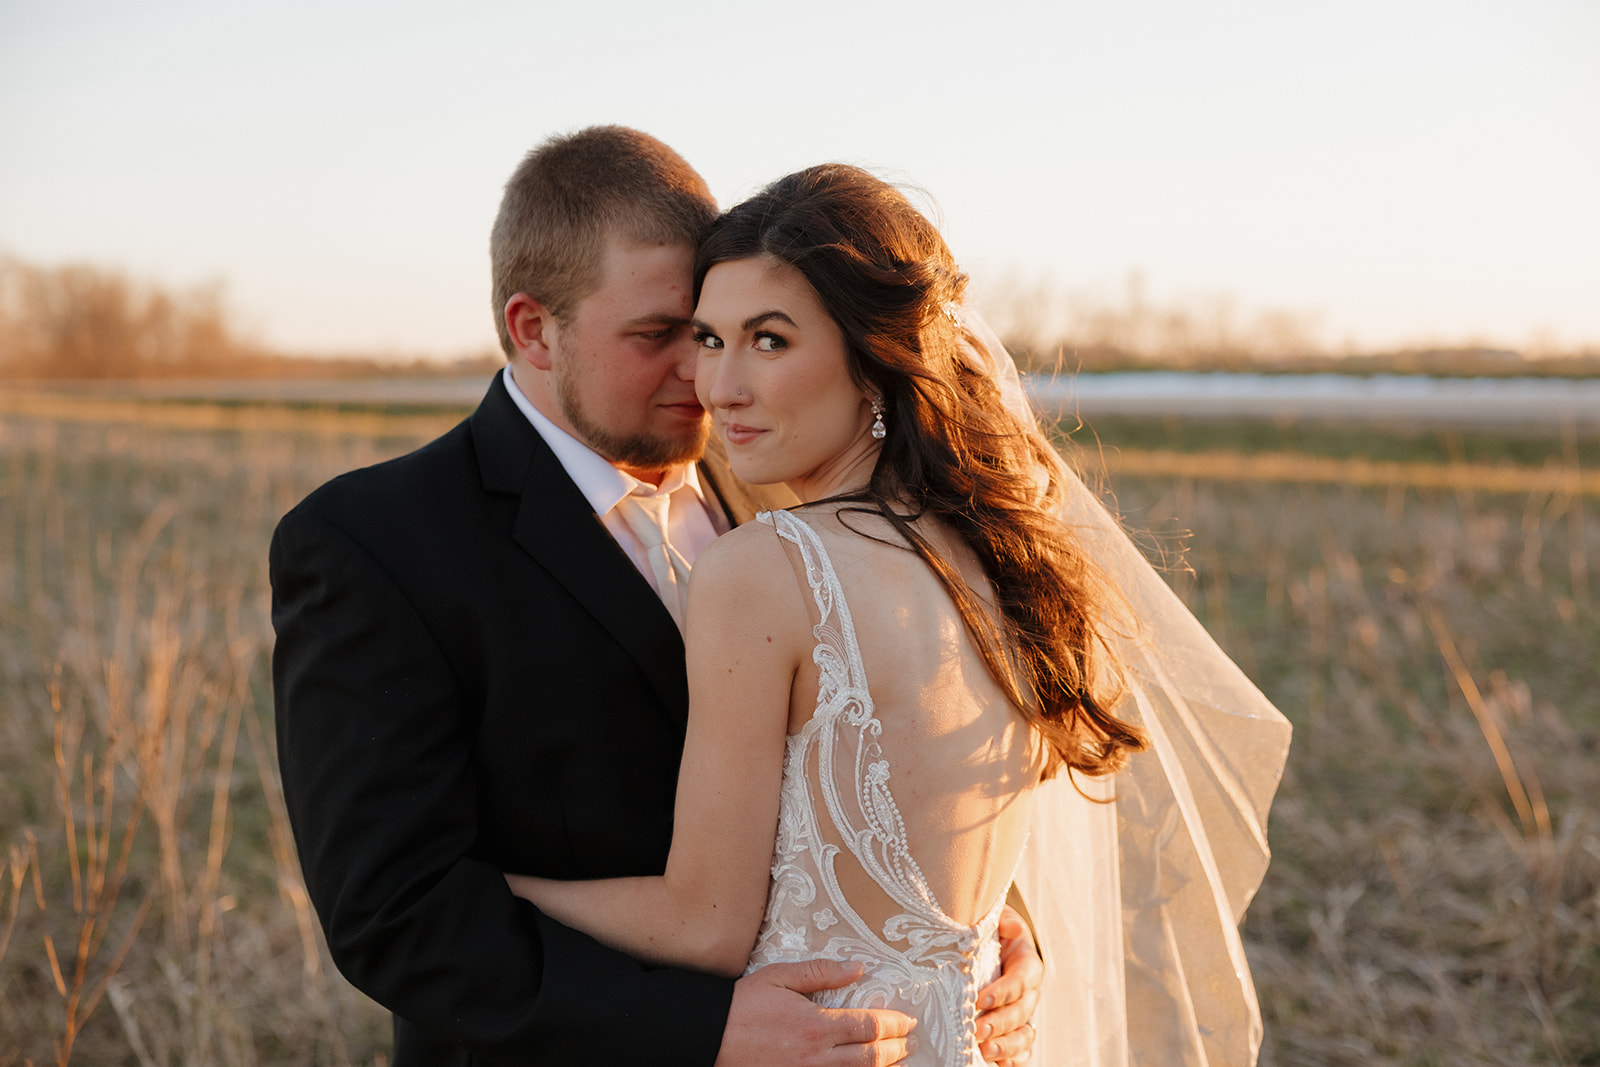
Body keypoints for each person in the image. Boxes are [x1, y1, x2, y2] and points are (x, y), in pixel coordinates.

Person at [270, 127, 1041, 1067]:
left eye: (717, 331)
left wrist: (980, 924)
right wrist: (698, 1030)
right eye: (660, 336)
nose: (706, 376)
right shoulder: (373, 543)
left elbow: (879, 758)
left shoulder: (782, 484)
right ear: (531, 328)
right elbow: (394, 914)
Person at [501, 164, 1294, 1067]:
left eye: (769, 341)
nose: (719, 386)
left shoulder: (764, 569)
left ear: (874, 353)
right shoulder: (1007, 556)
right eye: (709, 339)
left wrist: (498, 884)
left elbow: (707, 925)